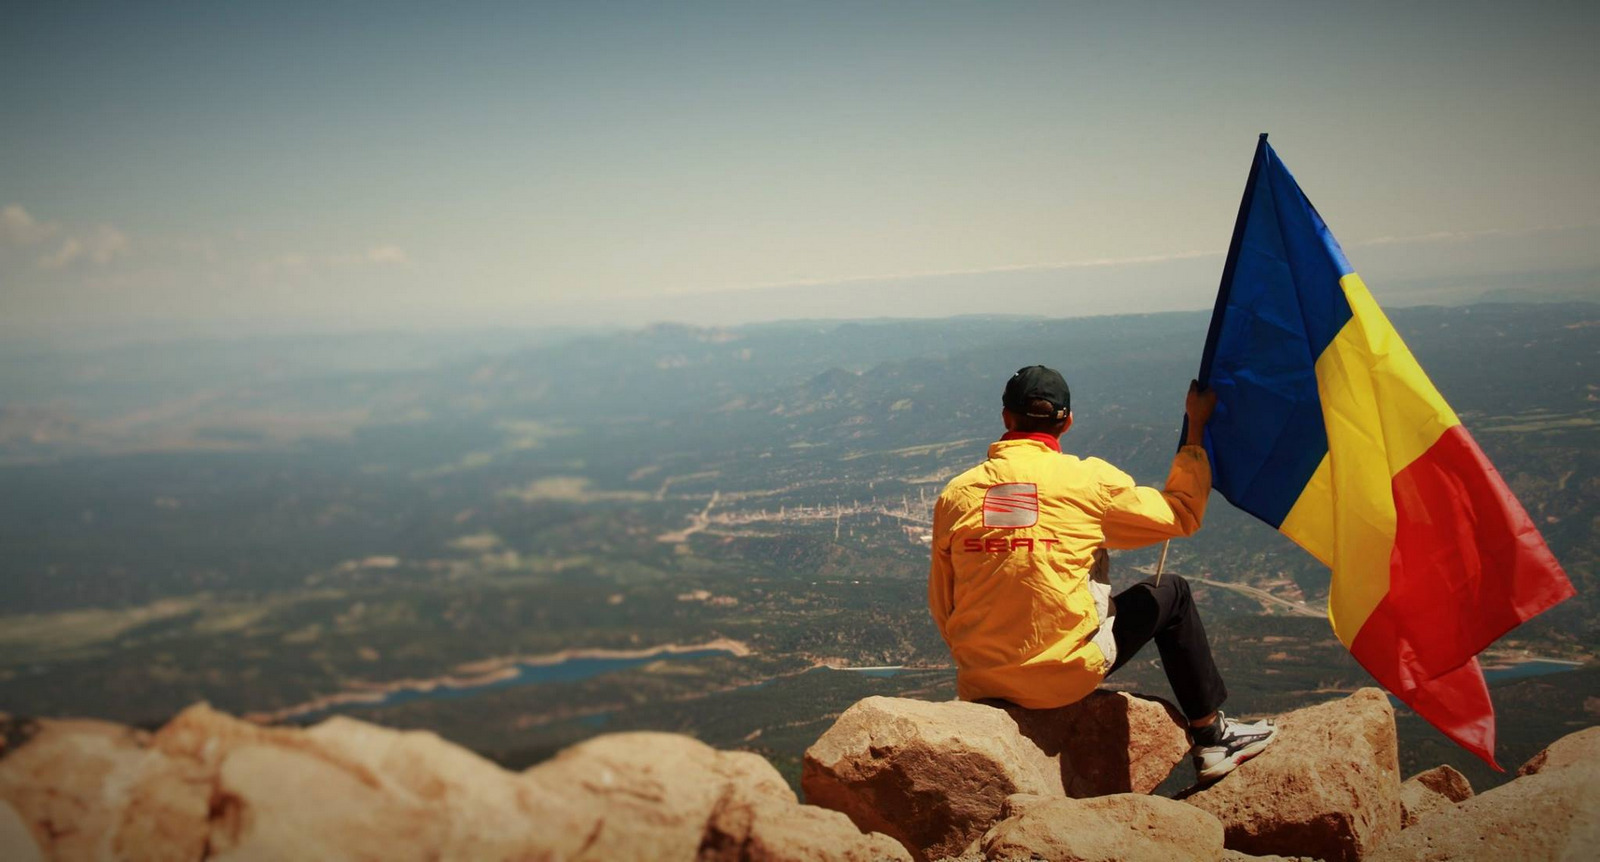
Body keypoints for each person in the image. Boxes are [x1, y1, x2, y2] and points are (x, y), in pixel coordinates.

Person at [928, 365, 1277, 782]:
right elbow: (1181, 513)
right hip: (1065, 677)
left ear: (1006, 417)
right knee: (1173, 593)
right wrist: (1196, 426)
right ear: (1067, 422)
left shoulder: (957, 495)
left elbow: (942, 602)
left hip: (982, 681)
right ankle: (1212, 734)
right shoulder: (1088, 482)